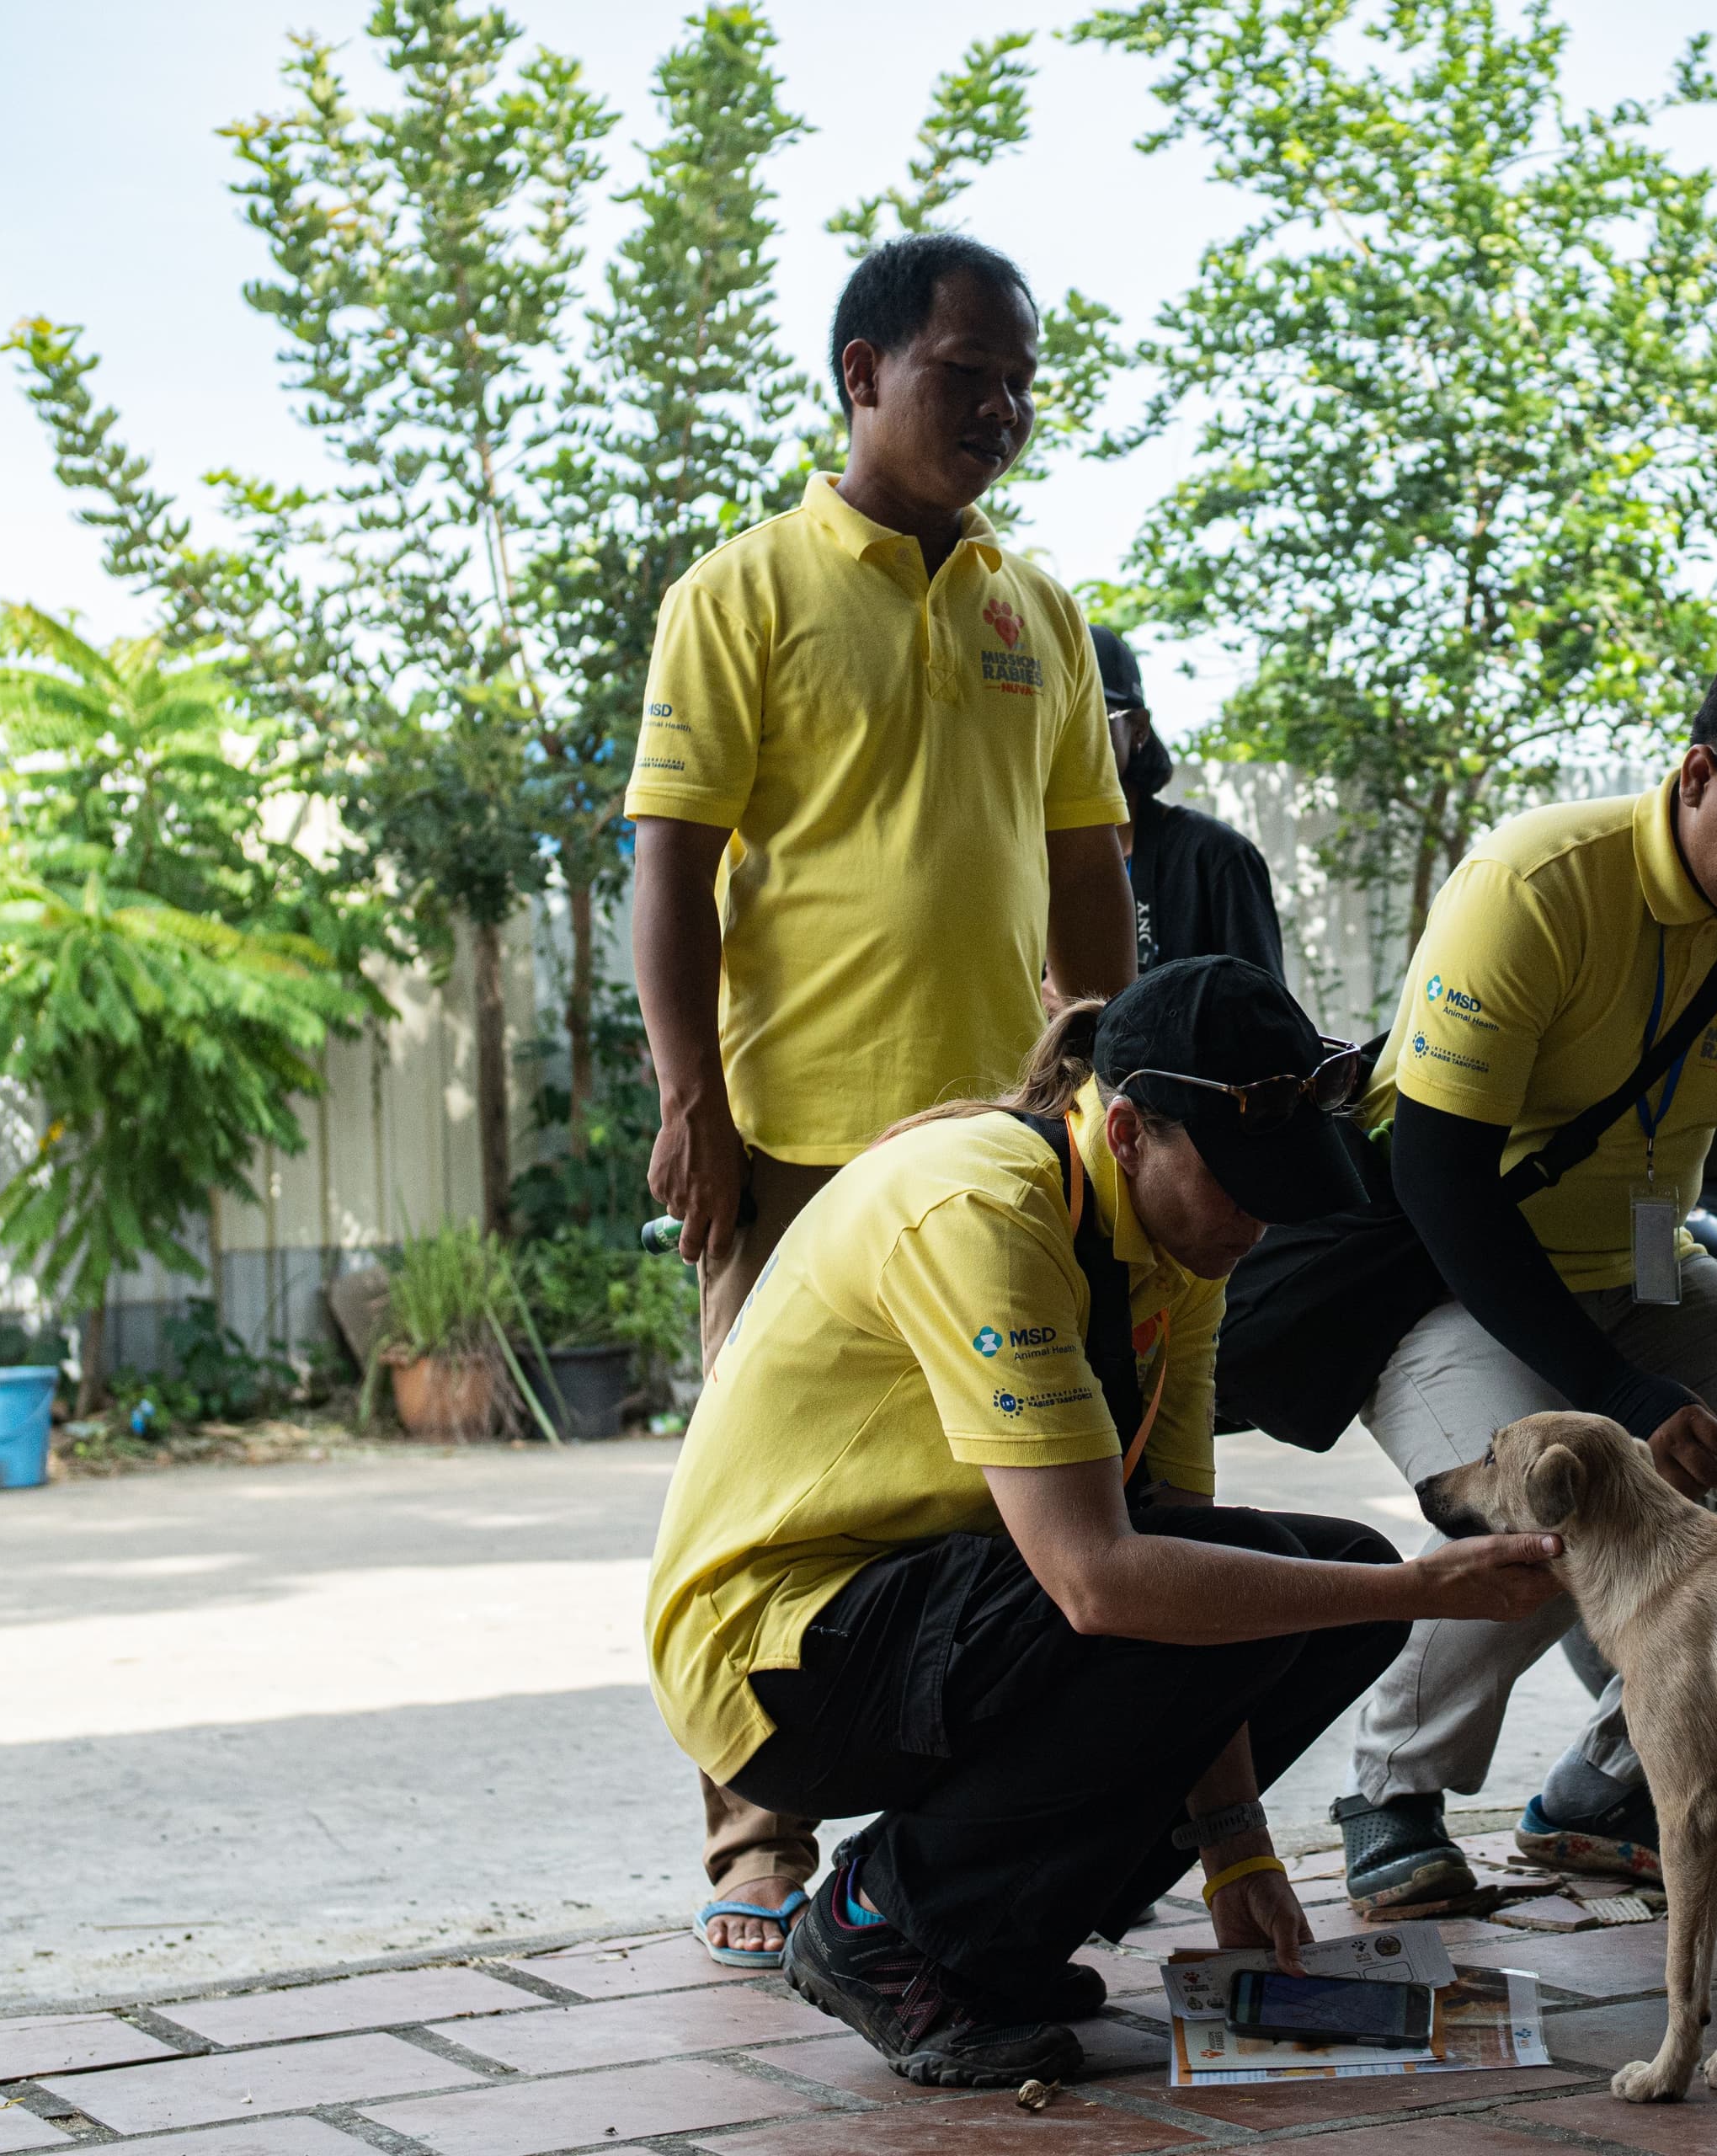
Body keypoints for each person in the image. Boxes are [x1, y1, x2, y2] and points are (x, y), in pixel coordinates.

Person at [644, 961, 1566, 2086]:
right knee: (1310, 1587)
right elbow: (1101, 1583)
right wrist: (1421, 1594)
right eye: (1240, 1185)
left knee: (1319, 1585)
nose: (1261, 1222)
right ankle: (881, 1917)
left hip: (926, 1612)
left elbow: (1190, 1569)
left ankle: (986, 1939)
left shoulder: (1175, 1249)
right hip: (770, 1656)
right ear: (1129, 1130)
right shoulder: (983, 1206)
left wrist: (1238, 1857)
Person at [625, 231, 1136, 1967]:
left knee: (994, 1495)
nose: (998, 408)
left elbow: (1088, 877)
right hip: (795, 1139)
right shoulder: (742, 593)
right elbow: (672, 870)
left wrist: (1108, 1065)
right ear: (862, 372)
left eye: (1018, 382)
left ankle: (941, 1839)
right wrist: (687, 1095)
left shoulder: (1037, 610)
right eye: (962, 371)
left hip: (1012, 1141)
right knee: (769, 1497)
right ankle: (757, 1837)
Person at [1331, 639, 1717, 1913]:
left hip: (1645, 1276)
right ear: (1698, 776)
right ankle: (1391, 1788)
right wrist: (1623, 1395)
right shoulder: (1534, 882)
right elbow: (1439, 1177)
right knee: (1560, 1491)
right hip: (1445, 1278)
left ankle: (1608, 1784)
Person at [1090, 625, 1289, 981]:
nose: (1067, 733)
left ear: (1138, 728)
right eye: (1053, 715)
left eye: (1089, 714)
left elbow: (1265, 1021)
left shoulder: (1214, 857)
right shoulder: (1026, 860)